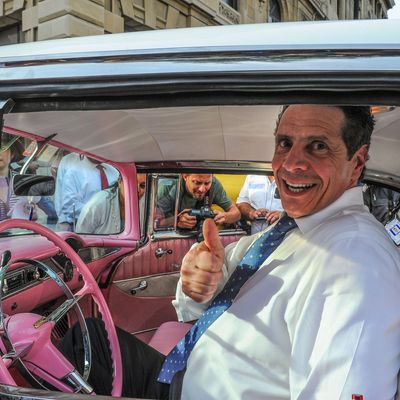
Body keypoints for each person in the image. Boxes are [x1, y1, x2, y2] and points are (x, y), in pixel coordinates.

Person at [61, 105, 400, 399]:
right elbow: (202, 298)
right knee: (86, 337)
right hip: (184, 378)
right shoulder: (289, 229)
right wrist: (197, 286)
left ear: (357, 164)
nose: (292, 163)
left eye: (318, 146)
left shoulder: (357, 262)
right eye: (285, 144)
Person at [54, 153, 119, 231]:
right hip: (86, 229)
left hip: (115, 225)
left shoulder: (114, 171)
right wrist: (99, 214)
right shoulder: (74, 172)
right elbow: (70, 206)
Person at [156, 174, 240, 229]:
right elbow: (154, 223)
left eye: (207, 183)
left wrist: (225, 216)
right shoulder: (168, 186)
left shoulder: (214, 184)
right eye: (197, 182)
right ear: (185, 176)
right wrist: (176, 221)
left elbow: (237, 213)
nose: (202, 189)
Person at [75, 173, 146, 234]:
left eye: (142, 186)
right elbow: (81, 238)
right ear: (119, 181)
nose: (137, 190)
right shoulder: (98, 203)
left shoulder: (147, 205)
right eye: (132, 184)